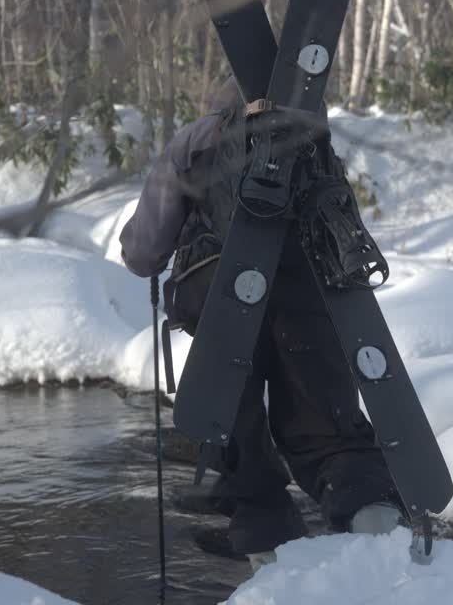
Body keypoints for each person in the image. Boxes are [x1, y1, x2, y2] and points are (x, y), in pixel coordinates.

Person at [119, 77, 402, 572]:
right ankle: (380, 549)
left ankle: (268, 564)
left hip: (221, 298)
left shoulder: (195, 141)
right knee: (327, 429)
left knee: (237, 435)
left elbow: (144, 253)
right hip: (309, 290)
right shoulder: (311, 134)